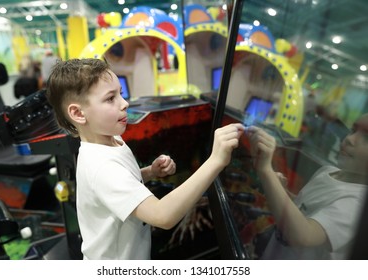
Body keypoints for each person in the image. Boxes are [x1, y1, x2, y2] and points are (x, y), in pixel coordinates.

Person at [46, 58, 245, 260]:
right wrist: (216, 160)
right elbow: (162, 216)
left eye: (120, 94)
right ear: (78, 113)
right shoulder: (102, 167)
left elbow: (121, 184)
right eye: (110, 98)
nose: (124, 103)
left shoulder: (111, 139)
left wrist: (150, 172)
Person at [246, 113, 368, 259]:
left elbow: (303, 236)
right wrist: (282, 191)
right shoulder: (328, 171)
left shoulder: (358, 204)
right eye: (353, 130)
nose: (349, 139)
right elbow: (305, 207)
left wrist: (265, 170)